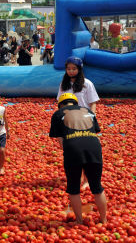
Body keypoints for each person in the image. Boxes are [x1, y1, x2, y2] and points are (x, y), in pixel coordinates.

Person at [49, 93, 107, 224]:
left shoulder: (58, 114)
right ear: (75, 103)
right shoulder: (88, 111)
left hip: (73, 148)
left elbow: (60, 140)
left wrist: (70, 152)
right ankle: (104, 220)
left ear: (61, 105)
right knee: (97, 187)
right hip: (94, 147)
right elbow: (94, 131)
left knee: (74, 189)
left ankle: (79, 221)